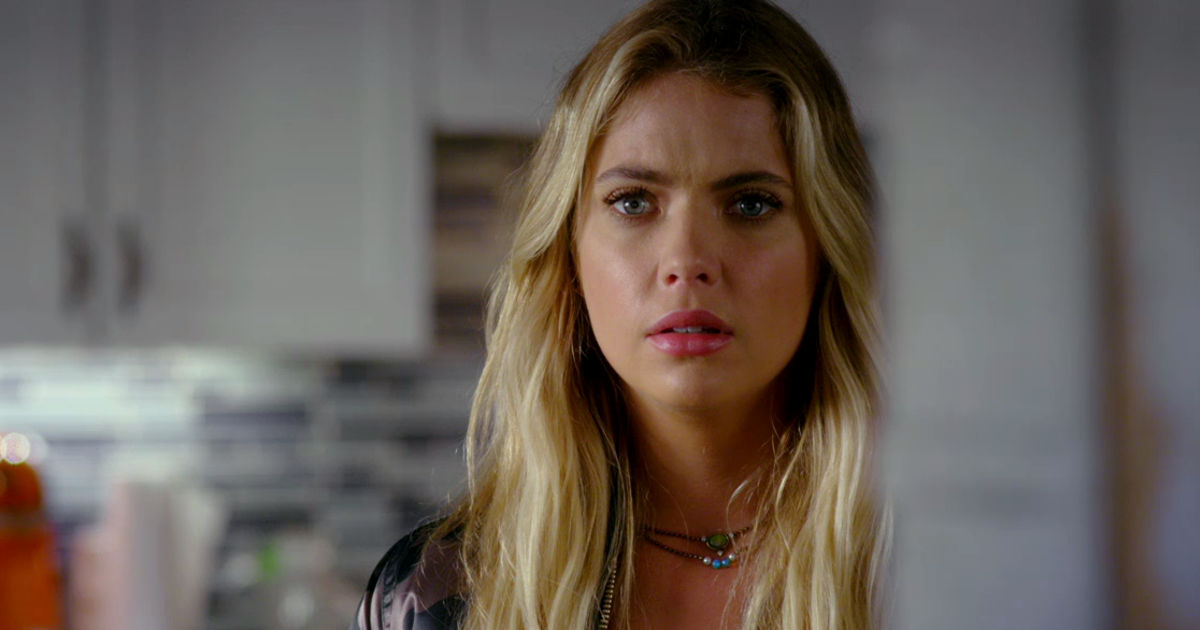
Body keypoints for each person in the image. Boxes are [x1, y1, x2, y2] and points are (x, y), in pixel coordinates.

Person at [351, 1, 888, 628]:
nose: (687, 261)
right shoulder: (432, 598)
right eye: (633, 201)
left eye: (750, 204)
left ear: (827, 249)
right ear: (569, 255)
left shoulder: (940, 577)